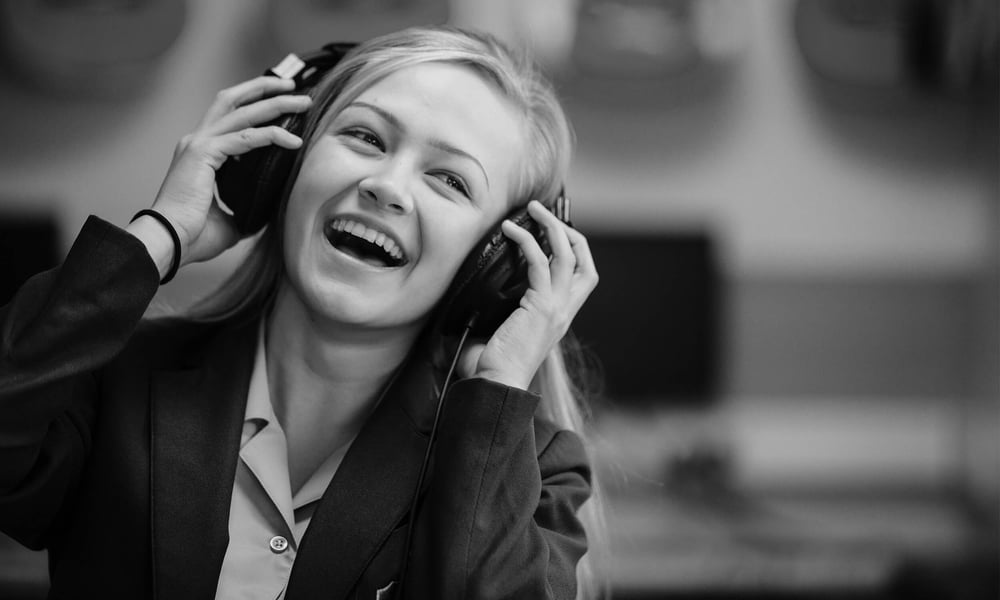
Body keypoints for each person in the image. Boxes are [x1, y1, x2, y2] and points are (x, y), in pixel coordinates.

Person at [0, 25, 602, 599]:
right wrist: (159, 235)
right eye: (365, 137)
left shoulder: (533, 470)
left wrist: (497, 389)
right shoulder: (117, 378)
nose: (387, 186)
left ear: (498, 264)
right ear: (280, 162)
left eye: (450, 180)